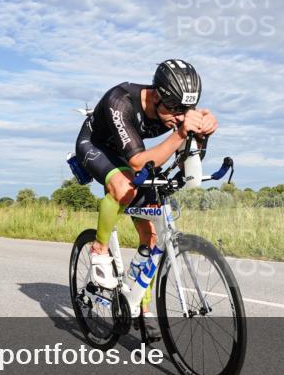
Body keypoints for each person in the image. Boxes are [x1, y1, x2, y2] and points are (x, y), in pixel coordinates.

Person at [74, 60, 218, 339]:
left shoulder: (176, 109)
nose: (179, 117)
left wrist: (201, 137)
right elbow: (139, 163)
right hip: (96, 146)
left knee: (151, 238)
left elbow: (183, 160)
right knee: (123, 186)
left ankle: (142, 305)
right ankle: (99, 249)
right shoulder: (121, 101)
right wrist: (180, 133)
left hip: (132, 153)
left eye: (185, 111)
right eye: (174, 110)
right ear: (155, 94)